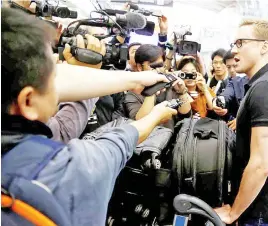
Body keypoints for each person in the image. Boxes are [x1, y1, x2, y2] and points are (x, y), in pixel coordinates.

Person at [1, 8, 177, 225]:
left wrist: (135, 80)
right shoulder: (66, 173)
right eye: (52, 75)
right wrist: (158, 113)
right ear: (28, 101)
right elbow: (122, 139)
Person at [214, 19, 268, 226]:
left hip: (265, 211)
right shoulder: (265, 82)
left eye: (240, 43)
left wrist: (234, 212)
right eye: (234, 44)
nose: (235, 51)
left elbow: (261, 164)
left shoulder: (266, 87)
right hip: (262, 206)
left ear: (264, 46)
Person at [124, 44, 192, 130]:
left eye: (160, 65)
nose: (158, 70)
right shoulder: (133, 93)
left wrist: (182, 92)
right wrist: (153, 90)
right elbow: (140, 123)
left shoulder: (170, 85)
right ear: (139, 67)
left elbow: (186, 116)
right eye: (153, 66)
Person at [213, 50, 249, 130]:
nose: (232, 70)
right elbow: (225, 96)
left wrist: (243, 119)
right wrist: (219, 104)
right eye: (229, 67)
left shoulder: (254, 81)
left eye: (235, 66)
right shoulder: (228, 83)